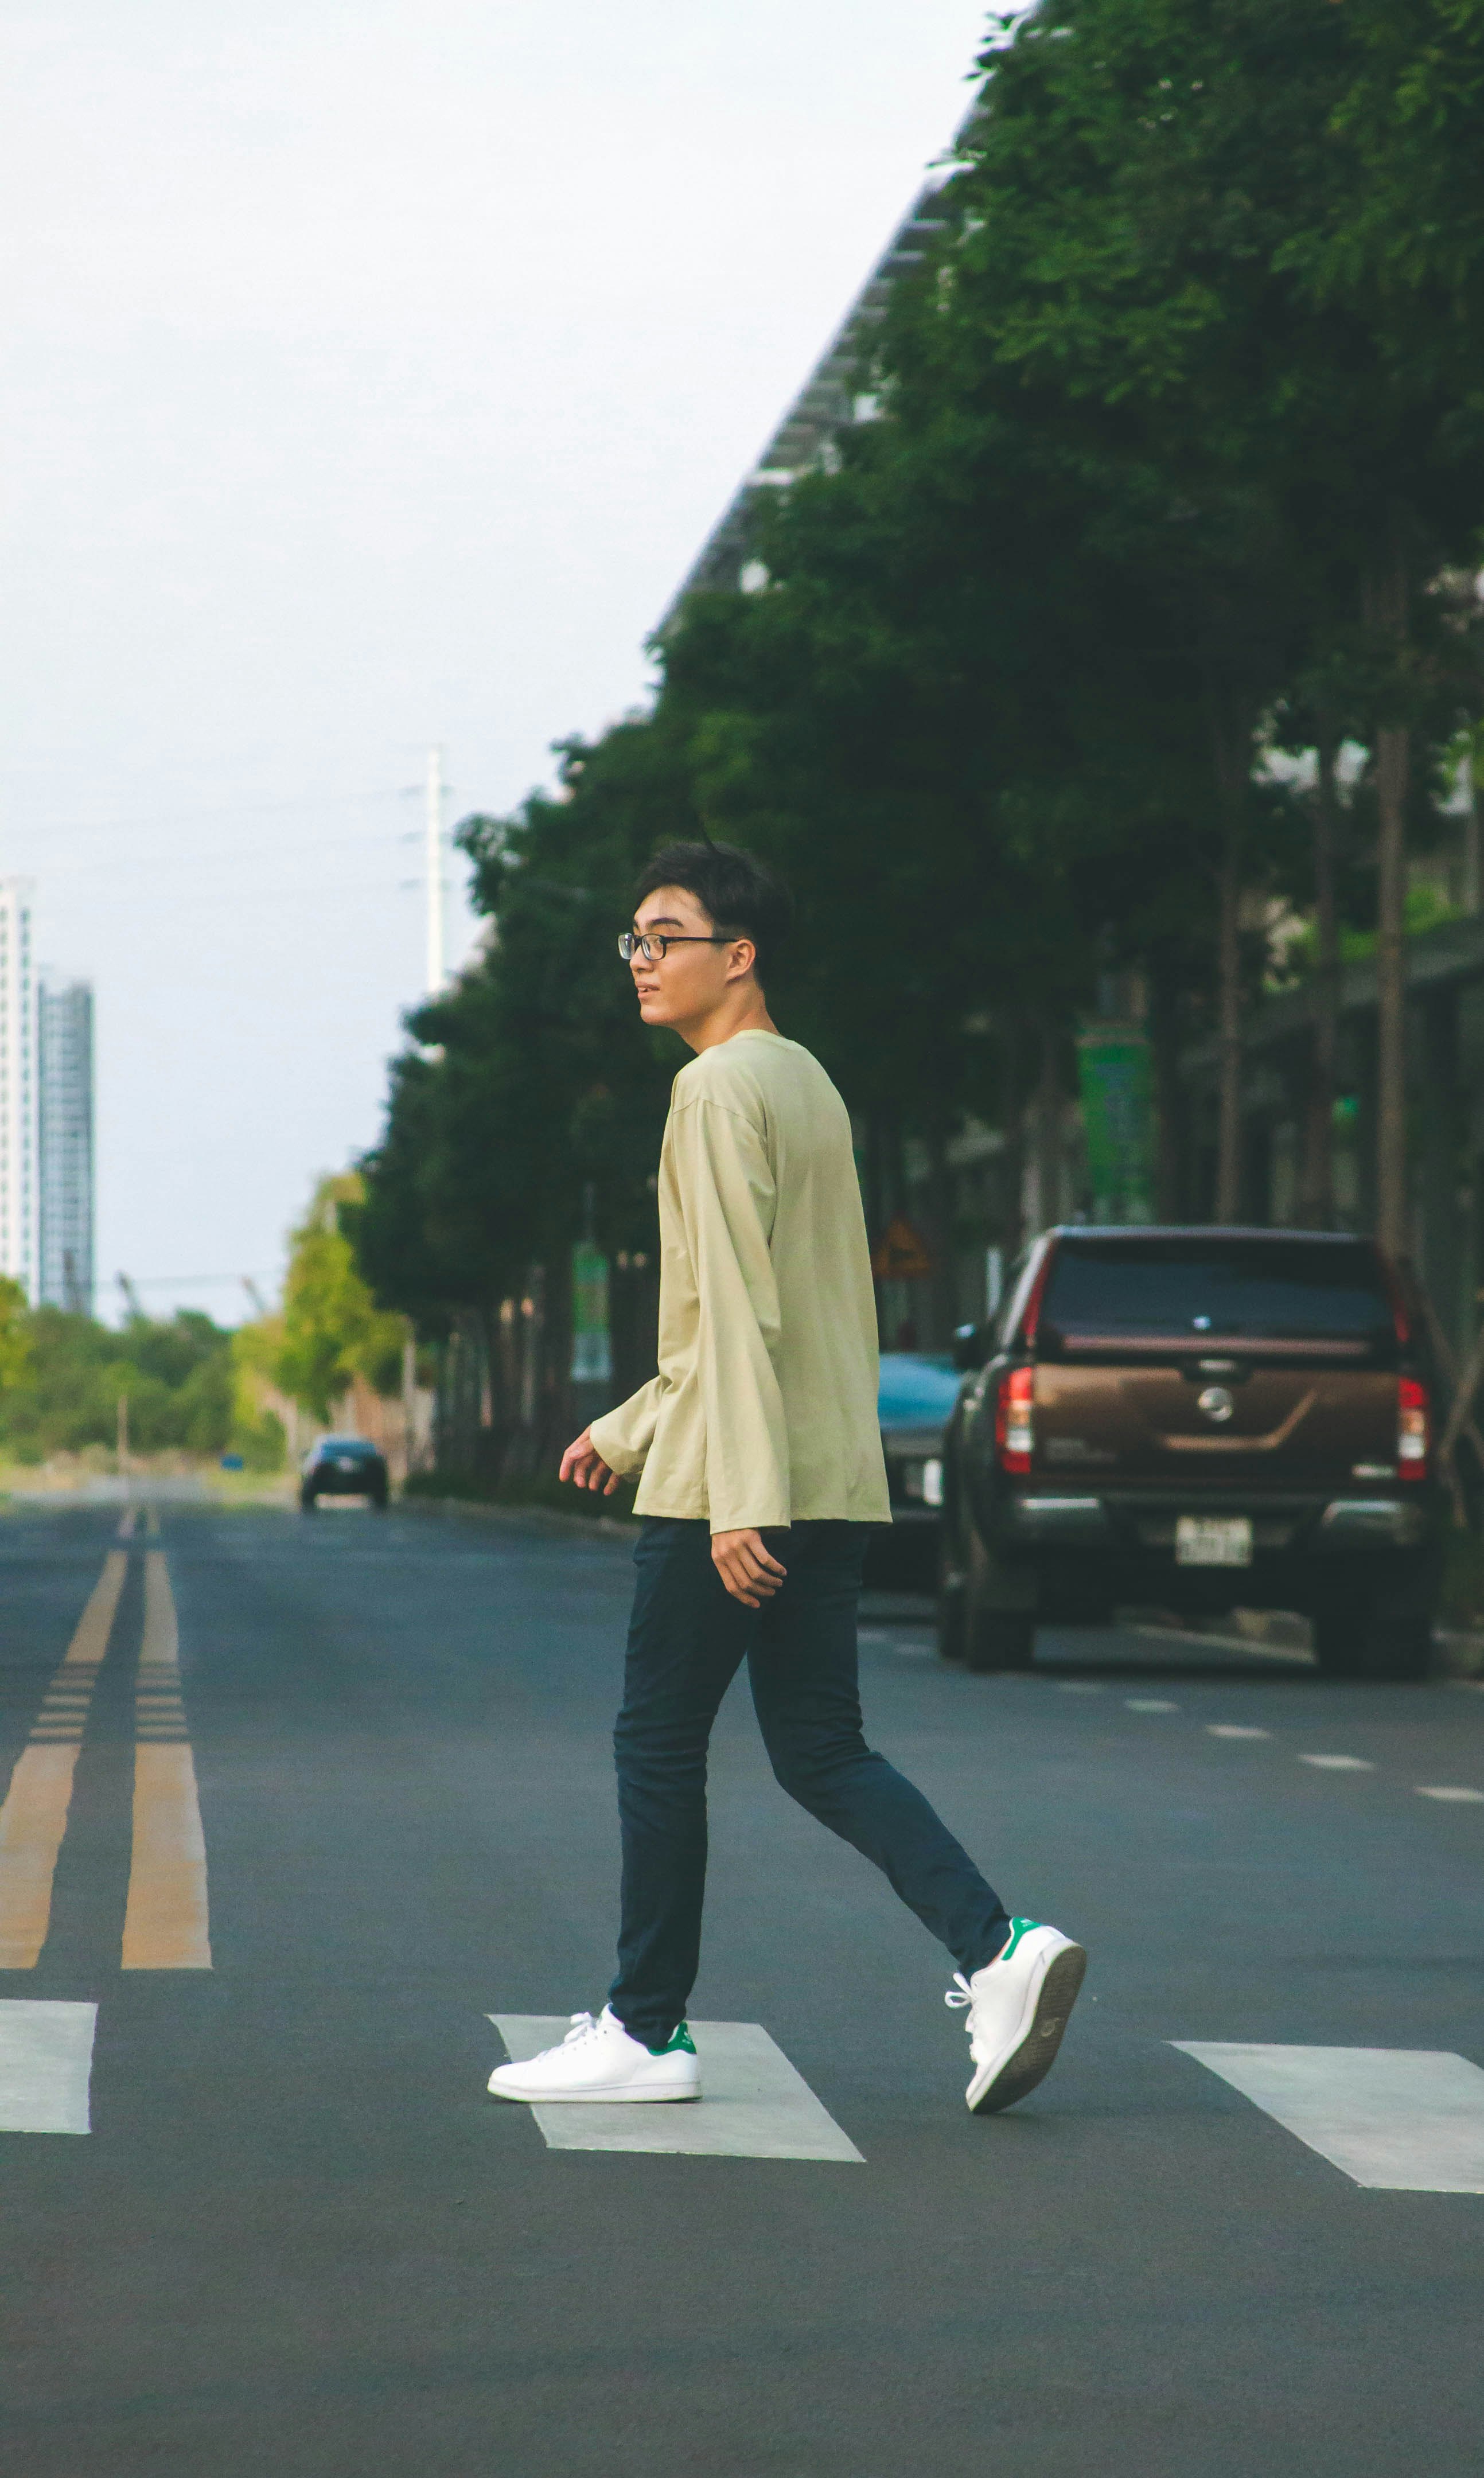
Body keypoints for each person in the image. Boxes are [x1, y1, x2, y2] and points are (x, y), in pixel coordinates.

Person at [487, 840, 1085, 2115]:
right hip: (826, 1472)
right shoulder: (803, 1080)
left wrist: (732, 1493)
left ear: (737, 956)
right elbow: (763, 1321)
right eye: (633, 940)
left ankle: (644, 2030)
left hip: (741, 1486)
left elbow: (742, 1312)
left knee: (655, 1745)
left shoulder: (712, 1092)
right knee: (821, 1750)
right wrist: (633, 1424)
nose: (641, 962)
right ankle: (998, 1950)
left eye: (666, 937)